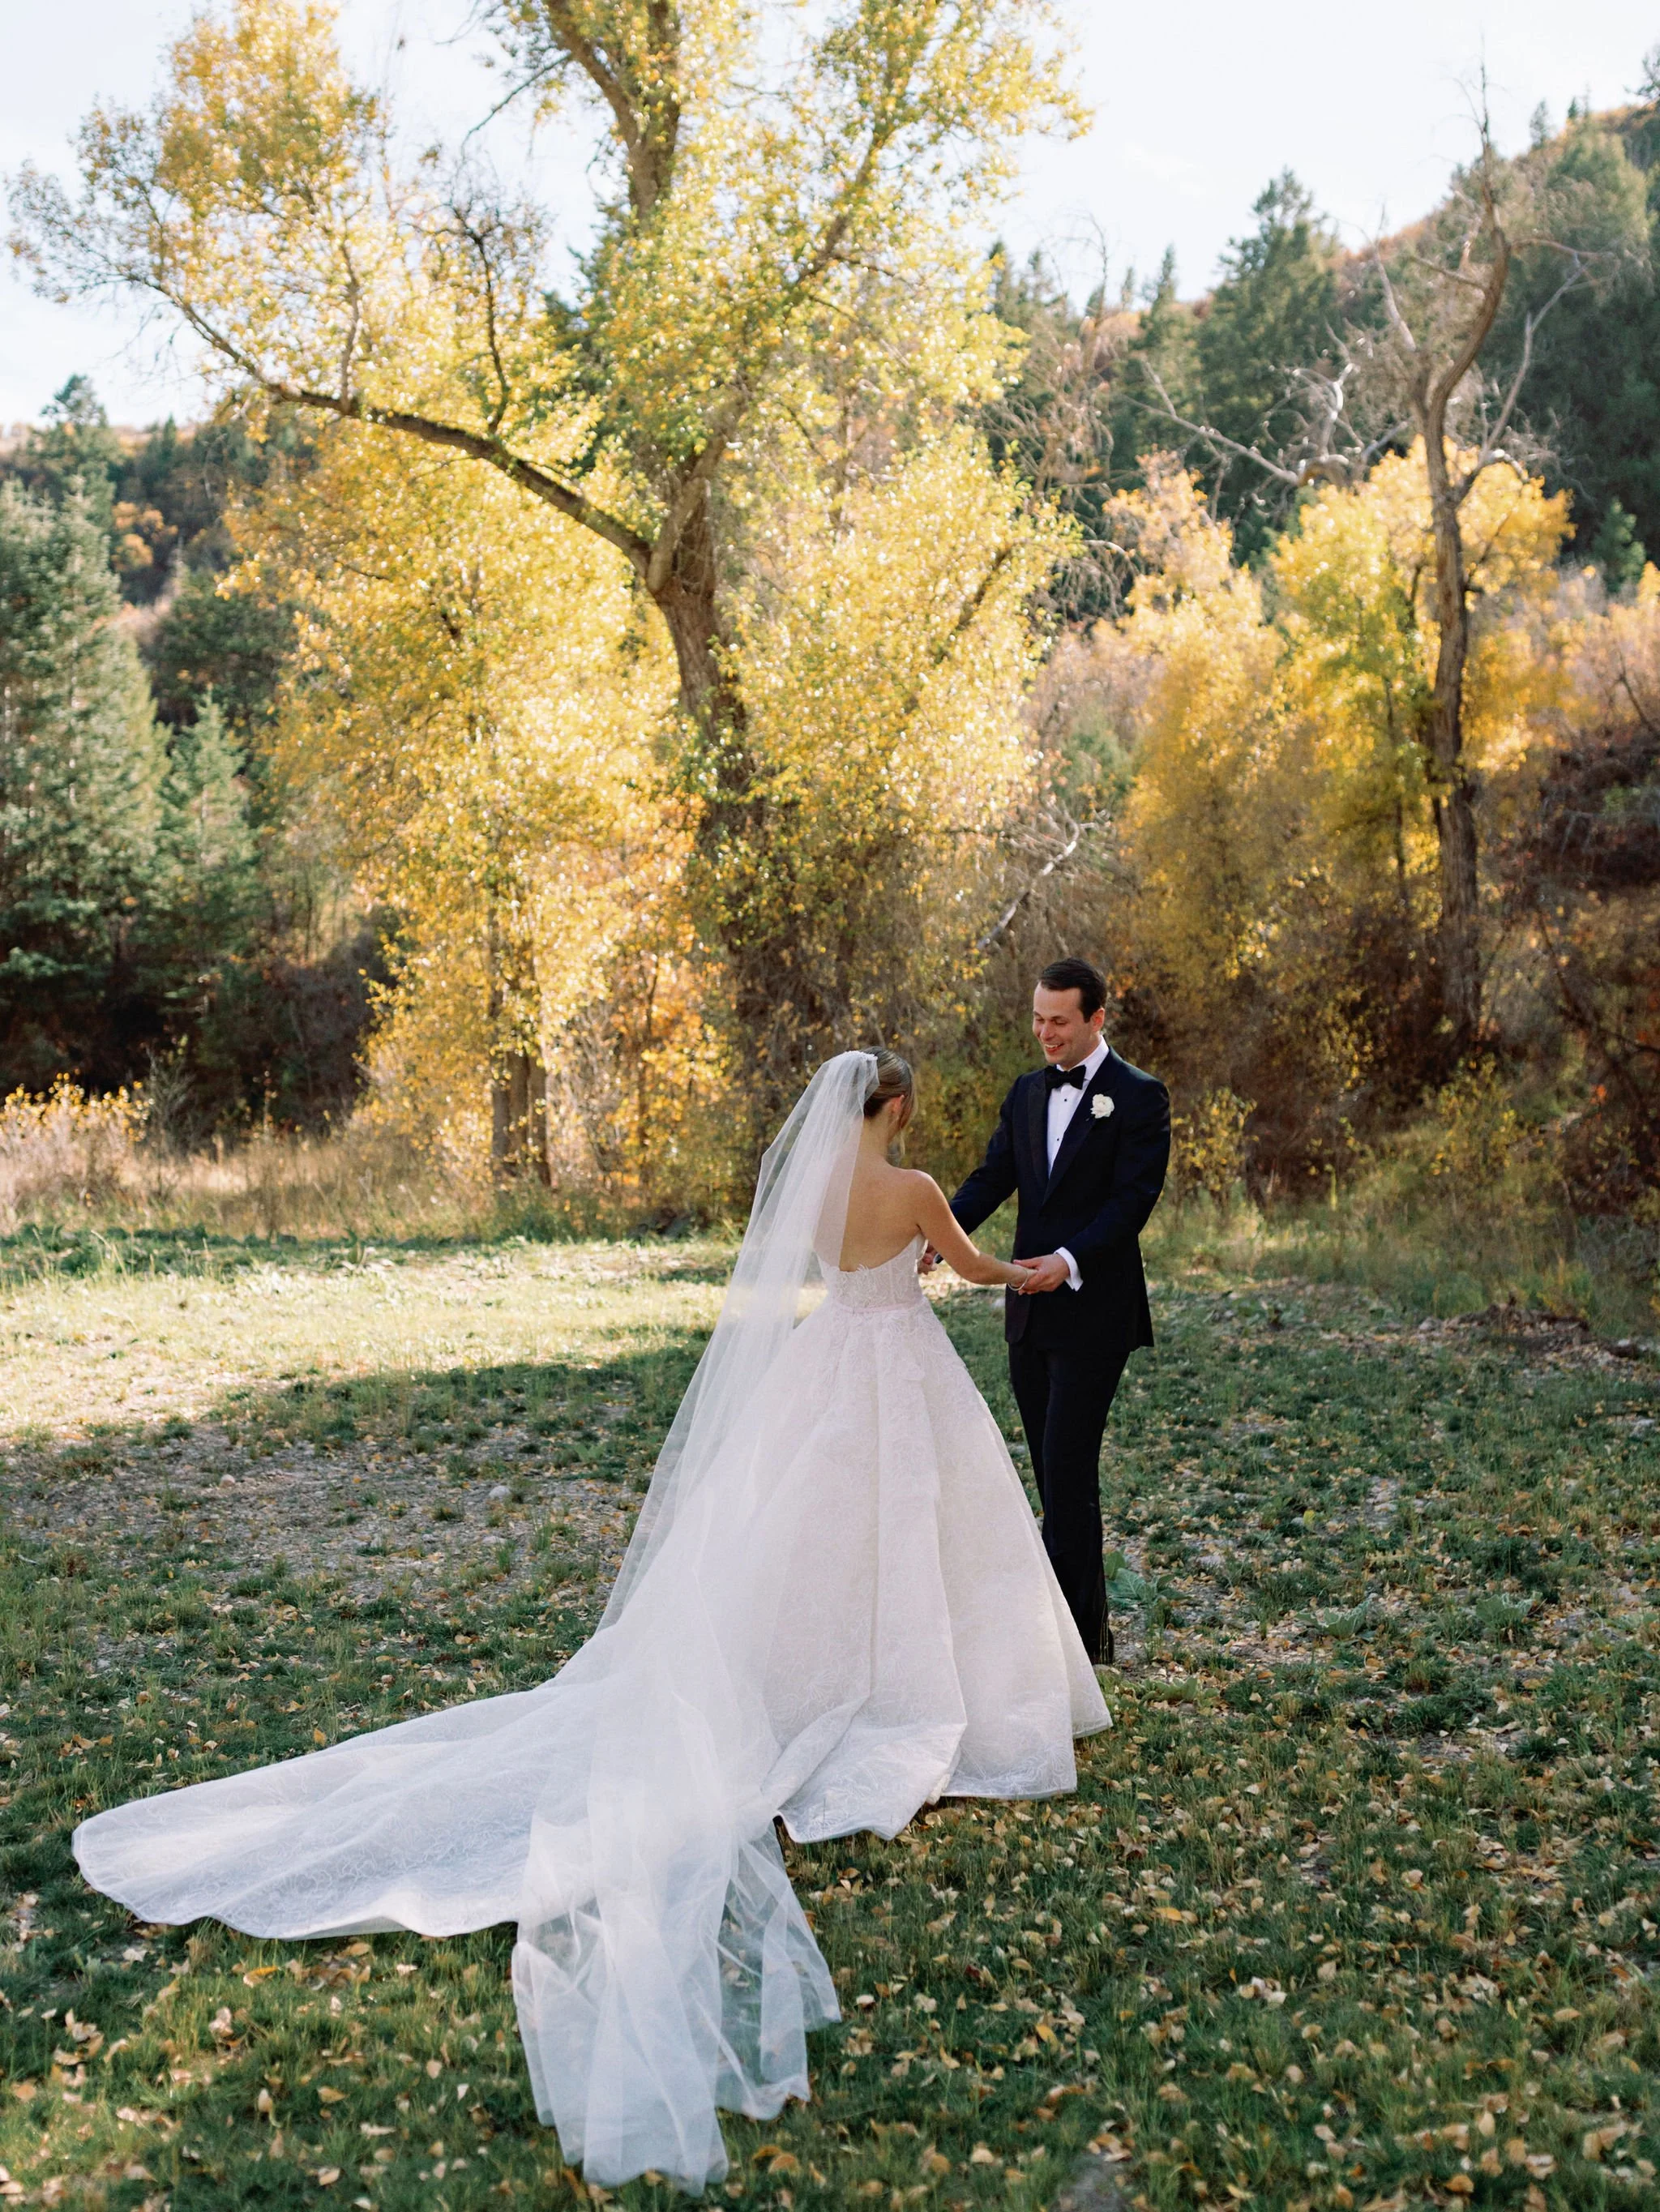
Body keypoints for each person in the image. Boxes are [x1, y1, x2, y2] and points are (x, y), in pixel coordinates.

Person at [72, 1050, 1108, 2193]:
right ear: (897, 1107)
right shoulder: (911, 1191)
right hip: (900, 1371)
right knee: (915, 1532)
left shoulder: (810, 1190)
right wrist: (1046, 1268)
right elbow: (967, 1269)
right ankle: (909, 1692)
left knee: (809, 1543)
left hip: (825, 1379)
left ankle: (815, 1679)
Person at [946, 959, 1170, 1666]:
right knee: (1052, 1474)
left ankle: (1070, 1649)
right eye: (1038, 1019)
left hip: (1094, 1311)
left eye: (1059, 1021)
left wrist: (1067, 1260)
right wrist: (936, 1233)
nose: (1045, 1033)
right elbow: (993, 1178)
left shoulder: (1139, 1097)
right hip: (1027, 1315)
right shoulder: (1024, 1093)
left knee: (1068, 1469)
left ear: (1097, 1019)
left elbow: (1131, 1203)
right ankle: (1086, 1638)